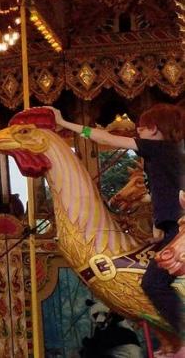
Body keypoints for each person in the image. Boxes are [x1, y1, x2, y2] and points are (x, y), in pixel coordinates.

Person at [53, 104, 185, 340]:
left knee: (153, 283)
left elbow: (107, 138)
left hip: (178, 231)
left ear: (153, 129)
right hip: (172, 230)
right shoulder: (169, 155)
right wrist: (159, 230)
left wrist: (65, 124)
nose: (138, 134)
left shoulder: (158, 148)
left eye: (140, 129)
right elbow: (166, 195)